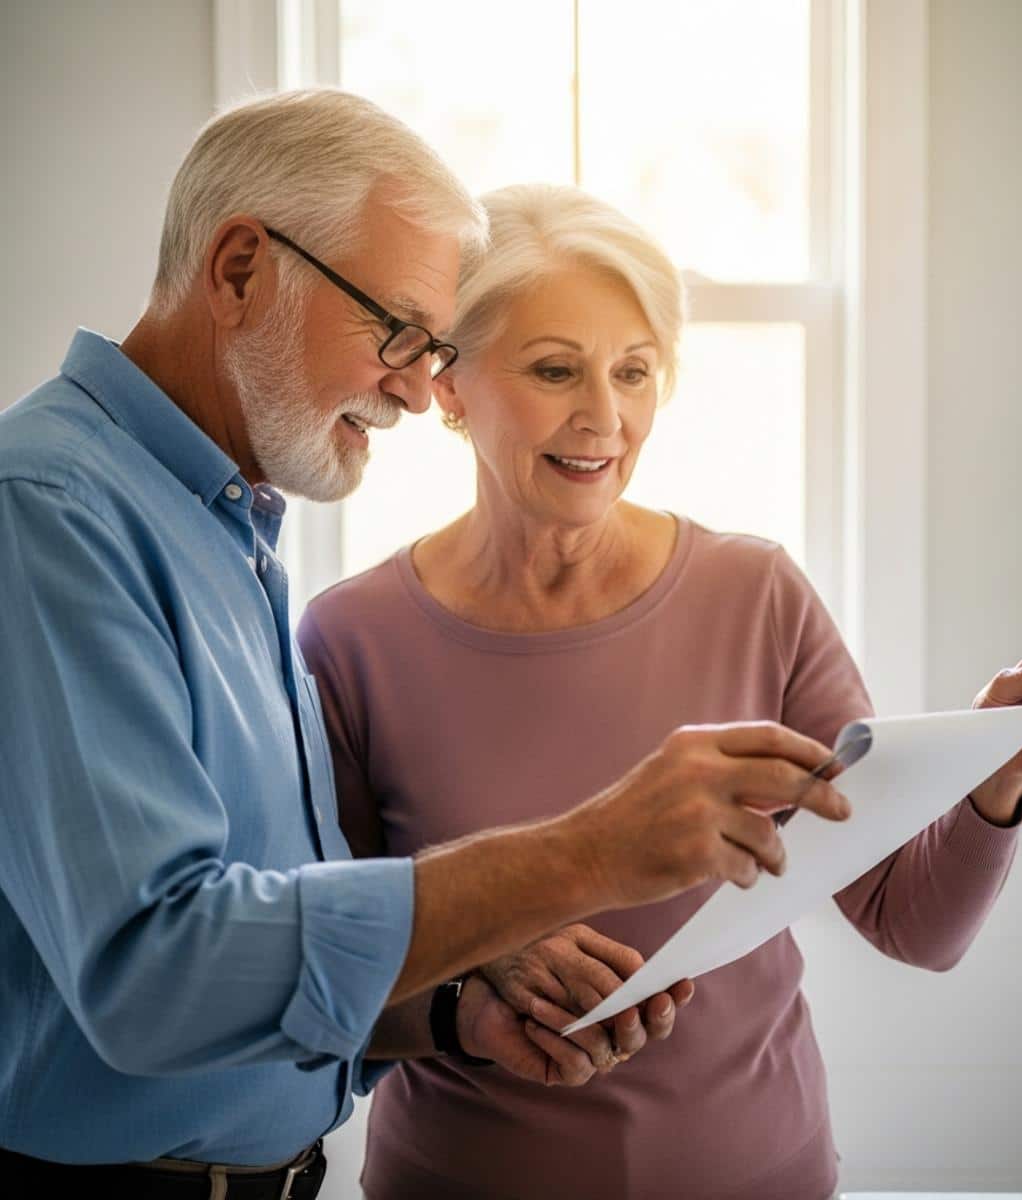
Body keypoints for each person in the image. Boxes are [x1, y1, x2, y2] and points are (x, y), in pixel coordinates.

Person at [0, 93, 850, 1198]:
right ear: (242, 269)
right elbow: (154, 974)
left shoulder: (224, 526)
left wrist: (452, 1009)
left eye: (433, 345)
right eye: (394, 328)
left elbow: (271, 939)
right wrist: (583, 853)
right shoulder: (53, 512)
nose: (411, 386)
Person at [297, 183, 1022, 1200]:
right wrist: (474, 970)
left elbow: (914, 924)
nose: (604, 417)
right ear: (450, 386)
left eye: (635, 372)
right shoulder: (352, 639)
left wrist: (992, 771)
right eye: (555, 369)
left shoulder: (757, 595)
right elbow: (325, 985)